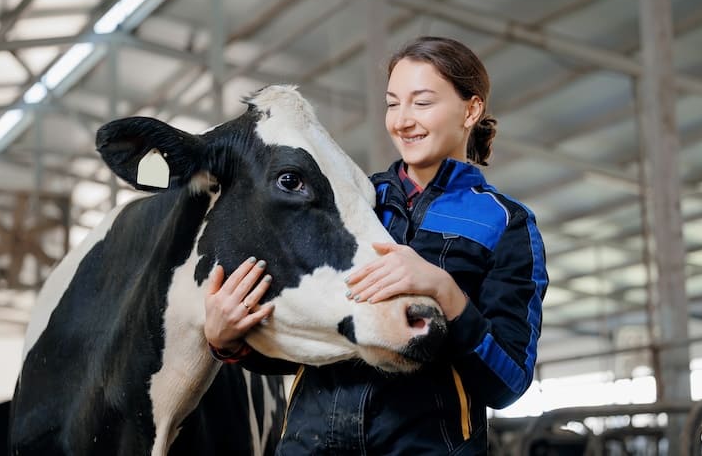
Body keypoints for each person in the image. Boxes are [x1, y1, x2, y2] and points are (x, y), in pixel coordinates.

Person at [204, 36, 548, 454]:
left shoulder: (505, 223)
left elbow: (508, 381)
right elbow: (301, 348)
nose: (403, 120)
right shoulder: (348, 198)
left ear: (471, 109)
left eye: (422, 103)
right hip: (309, 446)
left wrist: (445, 291)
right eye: (392, 103)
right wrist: (229, 343)